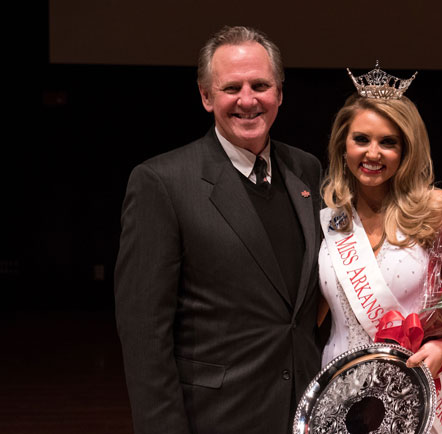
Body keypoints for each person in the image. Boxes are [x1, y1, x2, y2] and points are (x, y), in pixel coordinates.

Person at [114, 26, 322, 434]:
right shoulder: (162, 182)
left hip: (306, 412)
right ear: (207, 97)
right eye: (231, 88)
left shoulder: (307, 170)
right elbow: (144, 335)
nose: (248, 100)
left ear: (279, 92)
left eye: (260, 85)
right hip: (216, 418)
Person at [318, 64, 442, 433]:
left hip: (409, 393)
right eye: (361, 139)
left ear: (406, 148)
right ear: (342, 144)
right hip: (337, 393)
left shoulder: (437, 210)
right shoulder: (331, 220)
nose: (372, 153)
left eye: (388, 142)